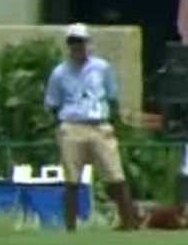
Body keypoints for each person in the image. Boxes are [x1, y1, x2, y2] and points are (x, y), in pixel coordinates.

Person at [43, 23, 140, 231]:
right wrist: (62, 126)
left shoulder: (102, 67)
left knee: (115, 175)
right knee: (71, 180)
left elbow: (112, 96)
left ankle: (129, 222)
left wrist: (112, 122)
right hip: (72, 125)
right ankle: (70, 226)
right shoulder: (59, 73)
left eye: (81, 41)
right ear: (69, 45)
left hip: (99, 125)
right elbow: (52, 103)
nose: (78, 46)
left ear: (88, 43)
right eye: (73, 42)